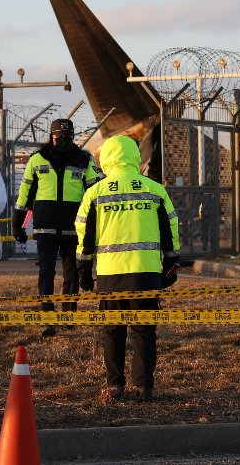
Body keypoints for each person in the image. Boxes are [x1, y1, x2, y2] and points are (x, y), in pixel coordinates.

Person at [75, 136, 180, 403]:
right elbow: (170, 229)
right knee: (145, 331)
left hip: (110, 275)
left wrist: (84, 270)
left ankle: (114, 386)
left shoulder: (95, 192)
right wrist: (170, 264)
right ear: (135, 157)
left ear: (106, 158)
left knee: (113, 330)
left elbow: (84, 233)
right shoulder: (154, 189)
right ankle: (144, 388)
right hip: (145, 272)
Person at [11, 119, 100, 337]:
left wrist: (97, 222)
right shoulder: (36, 160)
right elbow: (25, 194)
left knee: (72, 275)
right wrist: (17, 223)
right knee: (46, 273)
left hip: (74, 228)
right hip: (45, 228)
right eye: (59, 138)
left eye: (68, 138)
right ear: (51, 136)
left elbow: (95, 192)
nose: (64, 141)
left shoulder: (83, 160)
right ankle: (47, 320)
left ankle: (69, 318)